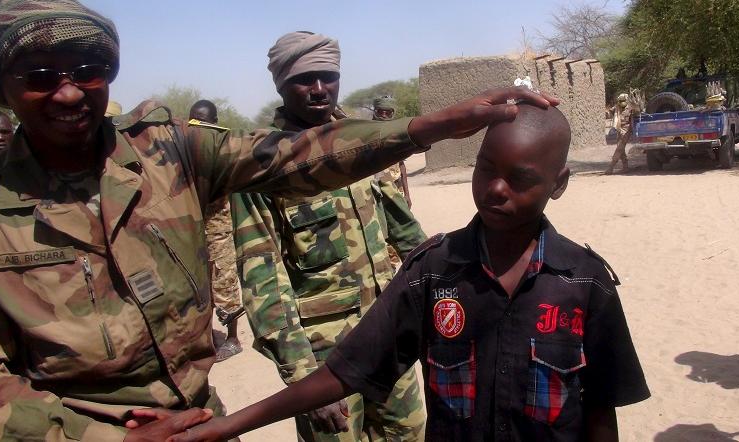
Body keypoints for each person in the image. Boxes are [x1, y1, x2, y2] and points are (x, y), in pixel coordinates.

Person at [0, 0, 555, 440]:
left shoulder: (171, 153)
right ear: (1, 90)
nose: (68, 94)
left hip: (201, 419)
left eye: (86, 72)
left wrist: (432, 125)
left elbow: (297, 156)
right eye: (40, 78)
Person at [166, 103, 650, 442]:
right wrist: (229, 425)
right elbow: (344, 371)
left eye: (521, 178)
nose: (496, 189)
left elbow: (600, 412)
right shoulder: (433, 274)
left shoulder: (585, 283)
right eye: (486, 169)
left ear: (558, 184)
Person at [230, 31, 427, 441]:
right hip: (325, 359)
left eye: (328, 76)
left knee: (409, 434)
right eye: (305, 79)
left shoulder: (362, 143)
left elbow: (407, 233)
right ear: (281, 85)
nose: (320, 89)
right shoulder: (261, 165)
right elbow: (264, 282)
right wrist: (303, 379)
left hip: (388, 335)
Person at [190, 99, 245, 362]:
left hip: (219, 231)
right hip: (193, 232)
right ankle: (209, 337)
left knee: (225, 283)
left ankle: (233, 338)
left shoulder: (222, 153)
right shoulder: (186, 152)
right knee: (199, 286)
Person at [372, 96, 411, 207]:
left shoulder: (396, 134)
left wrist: (407, 195)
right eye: (380, 112)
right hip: (376, 191)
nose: (384, 115)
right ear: (375, 112)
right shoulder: (367, 134)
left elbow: (402, 165)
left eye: (388, 112)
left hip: (396, 189)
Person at [605, 93, 633, 175]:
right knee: (621, 149)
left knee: (619, 148)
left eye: (623, 101)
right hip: (619, 130)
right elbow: (609, 113)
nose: (622, 103)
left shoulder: (631, 108)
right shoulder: (617, 107)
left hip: (626, 131)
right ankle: (625, 167)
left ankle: (611, 167)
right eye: (620, 101)